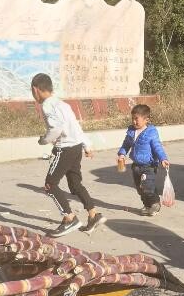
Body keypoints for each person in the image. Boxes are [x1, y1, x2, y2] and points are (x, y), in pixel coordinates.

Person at [31, 73, 106, 235]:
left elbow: (55, 129)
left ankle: (69, 218)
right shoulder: (63, 105)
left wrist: (44, 140)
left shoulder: (46, 105)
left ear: (35, 90)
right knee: (75, 184)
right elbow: (75, 126)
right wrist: (87, 144)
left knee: (50, 185)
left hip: (64, 149)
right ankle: (93, 215)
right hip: (76, 147)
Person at [117, 104, 170, 216]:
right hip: (136, 166)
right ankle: (147, 206)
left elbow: (157, 146)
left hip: (149, 165)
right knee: (140, 188)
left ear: (146, 119)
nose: (134, 121)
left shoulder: (151, 132)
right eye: (133, 118)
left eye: (136, 119)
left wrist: (163, 158)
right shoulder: (131, 131)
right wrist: (122, 154)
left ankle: (155, 204)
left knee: (147, 185)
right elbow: (126, 144)